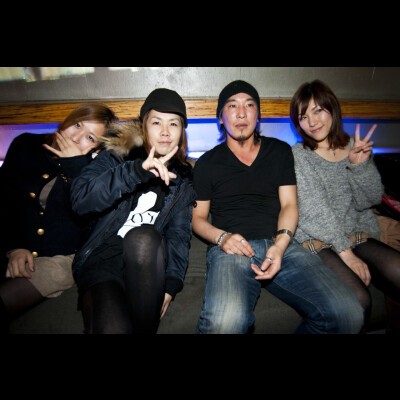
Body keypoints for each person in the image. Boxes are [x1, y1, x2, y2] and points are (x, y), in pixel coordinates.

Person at [192, 79, 364, 334]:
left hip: (281, 245)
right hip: (231, 251)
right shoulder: (207, 163)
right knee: (225, 324)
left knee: (348, 313)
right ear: (220, 118)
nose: (241, 113)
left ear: (258, 115)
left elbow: (289, 205)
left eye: (249, 105)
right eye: (232, 106)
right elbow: (198, 218)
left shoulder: (280, 152)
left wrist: (280, 245)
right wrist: (222, 238)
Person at [70, 88, 196, 334]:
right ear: (144, 126)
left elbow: (179, 235)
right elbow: (80, 199)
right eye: (156, 122)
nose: (165, 132)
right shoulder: (115, 157)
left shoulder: (183, 182)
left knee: (142, 236)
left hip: (146, 265)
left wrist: (171, 284)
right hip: (103, 260)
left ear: (182, 131)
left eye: (174, 124)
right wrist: (136, 172)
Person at [290, 79, 400, 334]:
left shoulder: (353, 147)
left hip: (355, 233)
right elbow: (313, 211)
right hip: (317, 238)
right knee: (359, 300)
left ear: (332, 109)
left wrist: (360, 167)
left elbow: (369, 200)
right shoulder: (299, 155)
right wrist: (346, 253)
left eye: (318, 110)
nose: (312, 122)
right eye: (303, 116)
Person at [0, 103, 118, 333]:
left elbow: (88, 222)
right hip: (14, 246)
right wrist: (15, 247)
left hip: (59, 258)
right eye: (77, 125)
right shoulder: (26, 145)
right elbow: (5, 201)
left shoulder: (93, 170)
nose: (76, 137)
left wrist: (76, 166)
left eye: (90, 137)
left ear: (97, 148)